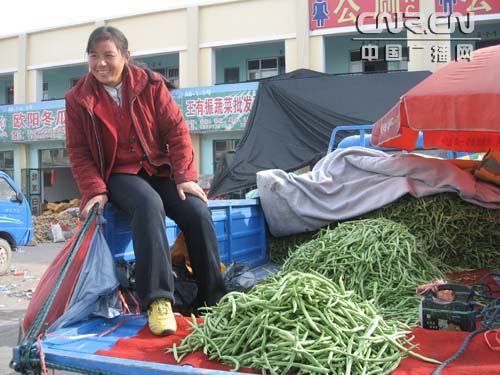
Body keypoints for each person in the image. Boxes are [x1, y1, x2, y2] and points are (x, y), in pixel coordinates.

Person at [65, 26, 227, 336]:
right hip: (117, 173)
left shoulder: (150, 85)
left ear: (125, 56)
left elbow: (177, 132)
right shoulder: (78, 98)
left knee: (196, 211)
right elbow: (79, 151)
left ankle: (214, 298)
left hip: (156, 168)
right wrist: (95, 190)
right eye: (93, 56)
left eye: (108, 55)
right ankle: (158, 301)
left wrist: (184, 177)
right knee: (148, 203)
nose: (100, 63)